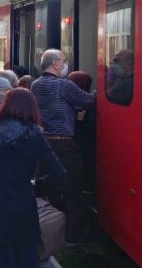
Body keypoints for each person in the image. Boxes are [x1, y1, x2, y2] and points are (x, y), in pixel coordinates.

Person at [0, 88, 67, 268]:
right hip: (22, 206)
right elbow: (58, 172)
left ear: (5, 105)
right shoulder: (34, 134)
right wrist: (39, 186)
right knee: (27, 257)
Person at [30, 49, 95, 244]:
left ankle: (53, 228)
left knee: (51, 185)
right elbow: (89, 100)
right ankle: (73, 235)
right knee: (73, 189)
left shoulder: (35, 84)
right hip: (63, 144)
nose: (66, 64)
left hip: (44, 142)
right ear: (56, 64)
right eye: (64, 61)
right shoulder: (64, 85)